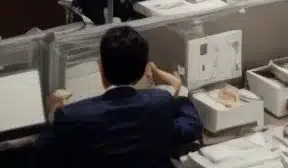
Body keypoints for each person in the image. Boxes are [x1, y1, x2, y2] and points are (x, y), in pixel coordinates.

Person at [36, 26, 201, 167]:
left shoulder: (71, 116)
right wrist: (180, 92)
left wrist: (52, 114)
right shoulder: (160, 101)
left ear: (101, 70)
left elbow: (41, 155)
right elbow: (189, 128)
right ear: (143, 70)